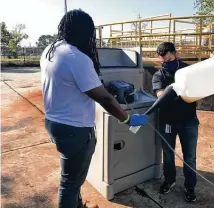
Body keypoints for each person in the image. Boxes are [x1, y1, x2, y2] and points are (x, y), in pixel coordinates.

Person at [40, 10, 147, 208]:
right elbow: (104, 98)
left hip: (54, 124)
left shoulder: (51, 50)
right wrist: (127, 119)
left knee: (72, 175)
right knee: (70, 183)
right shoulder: (77, 58)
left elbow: (74, 83)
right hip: (75, 129)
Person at [152, 42, 199, 203]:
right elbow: (159, 94)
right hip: (167, 122)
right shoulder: (159, 75)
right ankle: (169, 180)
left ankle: (190, 187)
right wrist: (171, 90)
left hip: (189, 121)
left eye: (170, 59)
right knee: (168, 155)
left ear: (176, 54)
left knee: (190, 157)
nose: (167, 63)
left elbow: (199, 90)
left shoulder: (189, 71)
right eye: (164, 61)